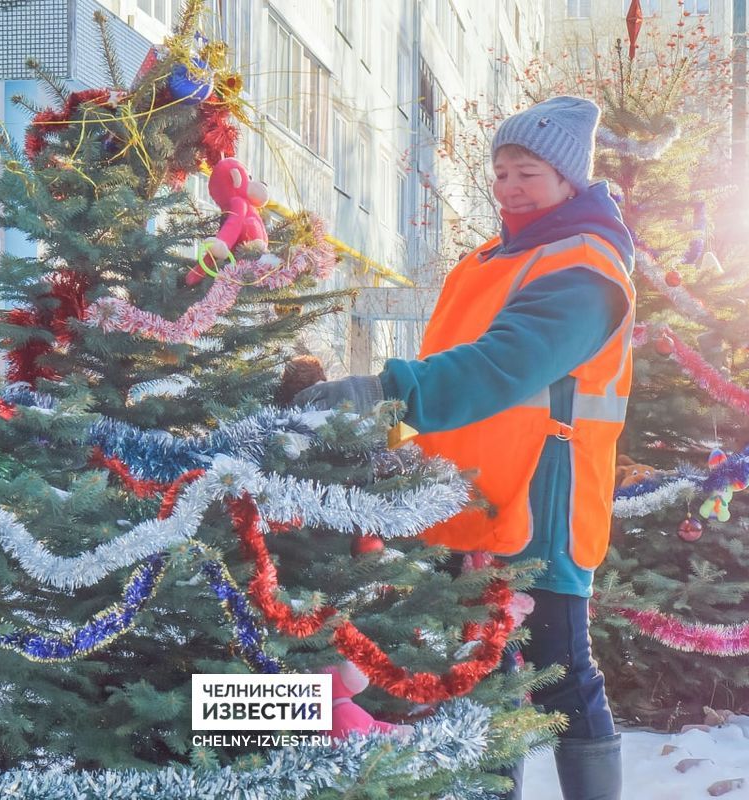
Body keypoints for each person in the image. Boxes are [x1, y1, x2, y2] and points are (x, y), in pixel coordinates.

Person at [295, 96, 634, 800]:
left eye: (528, 173)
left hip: (543, 502)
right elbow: (445, 362)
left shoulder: (585, 268)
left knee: (559, 666)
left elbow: (499, 367)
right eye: (502, 171)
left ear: (569, 181)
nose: (509, 187)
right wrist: (387, 441)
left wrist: (378, 390)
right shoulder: (485, 259)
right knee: (476, 666)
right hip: (462, 490)